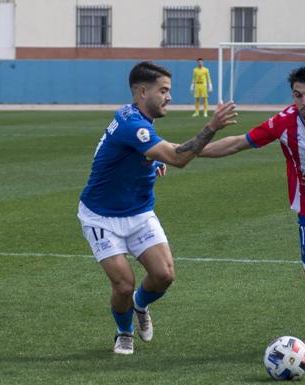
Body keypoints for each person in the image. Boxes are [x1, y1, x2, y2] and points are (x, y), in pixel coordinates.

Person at [200, 64, 305, 364]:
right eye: (298, 95)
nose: (304, 102)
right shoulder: (284, 122)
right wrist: (190, 152)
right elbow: (240, 143)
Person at [78, 61, 237, 355]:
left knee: (164, 275)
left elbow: (152, 151)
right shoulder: (132, 125)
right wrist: (211, 126)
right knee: (123, 284)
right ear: (142, 92)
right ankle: (123, 332)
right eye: (163, 91)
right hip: (101, 216)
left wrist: (155, 158)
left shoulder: (136, 118)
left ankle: (141, 304)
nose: (169, 97)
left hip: (138, 212)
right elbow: (179, 157)